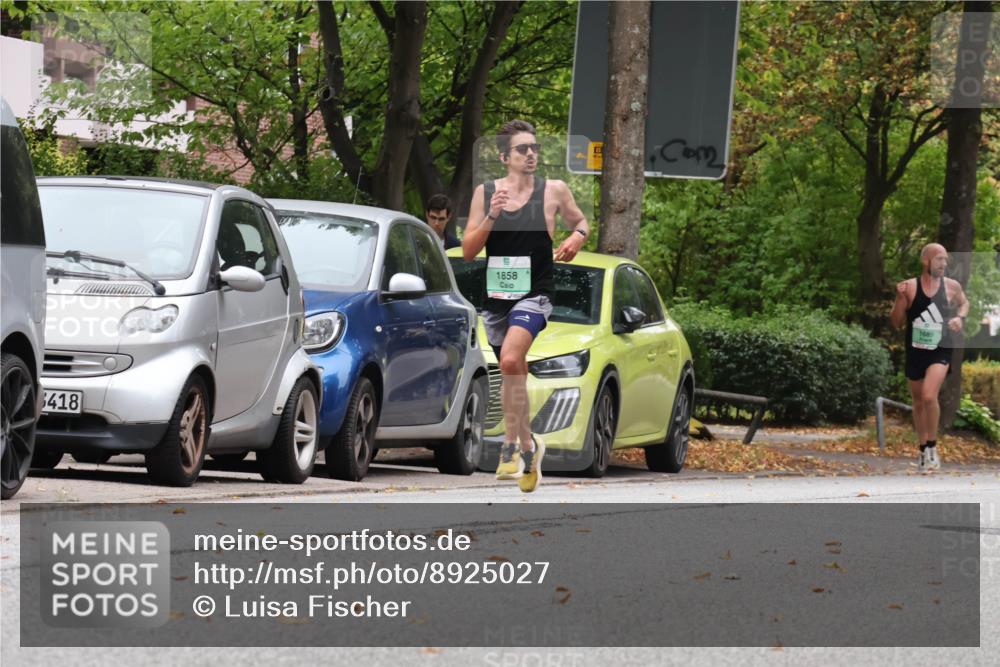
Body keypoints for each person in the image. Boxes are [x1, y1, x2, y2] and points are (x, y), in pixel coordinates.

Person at [462, 119, 590, 492]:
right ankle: (530, 446)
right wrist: (492, 215)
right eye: (522, 149)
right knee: (513, 370)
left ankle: (508, 446)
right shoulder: (486, 193)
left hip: (536, 292)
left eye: (535, 148)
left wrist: (577, 237)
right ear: (504, 156)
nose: (531, 154)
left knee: (509, 360)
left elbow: (580, 220)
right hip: (497, 296)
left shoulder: (554, 191)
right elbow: (469, 251)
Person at [890, 242, 969, 473]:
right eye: (939, 259)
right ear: (926, 261)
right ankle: (923, 449)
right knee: (917, 401)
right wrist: (898, 298)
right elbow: (896, 322)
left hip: (941, 349)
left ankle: (933, 447)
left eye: (945, 259)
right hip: (916, 351)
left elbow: (964, 303)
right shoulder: (910, 288)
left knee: (927, 396)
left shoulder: (951, 287)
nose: (944, 263)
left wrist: (960, 318)